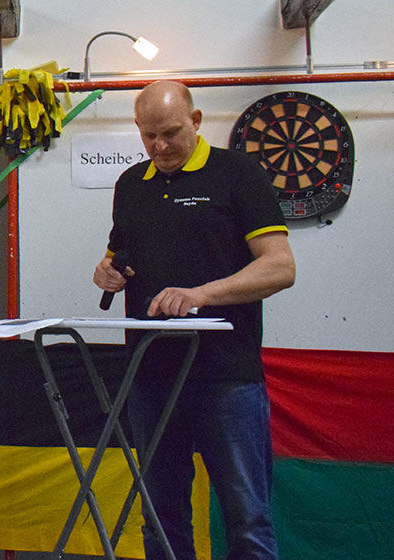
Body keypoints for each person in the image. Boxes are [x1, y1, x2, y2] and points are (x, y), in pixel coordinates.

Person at [93, 81, 295, 560]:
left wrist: (200, 294)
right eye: (149, 136)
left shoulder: (237, 173)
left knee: (246, 517)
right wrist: (106, 272)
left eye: (170, 133)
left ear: (196, 120)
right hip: (150, 375)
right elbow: (117, 256)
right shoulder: (130, 185)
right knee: (160, 516)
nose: (160, 146)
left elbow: (280, 267)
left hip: (225, 374)